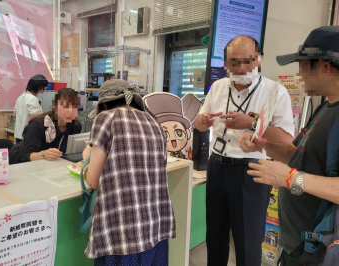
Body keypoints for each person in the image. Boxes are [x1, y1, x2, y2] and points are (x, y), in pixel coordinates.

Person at [239, 26, 339, 266]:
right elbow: (300, 154)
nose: (299, 72)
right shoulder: (326, 105)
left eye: (303, 64)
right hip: (297, 245)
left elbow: (297, 173)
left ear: (325, 66)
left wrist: (291, 178)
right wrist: (264, 146)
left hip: (318, 251)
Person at [194, 35, 294, 266]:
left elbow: (287, 139)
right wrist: (203, 121)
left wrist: (252, 123)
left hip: (252, 171)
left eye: (248, 61)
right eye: (234, 62)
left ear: (258, 60)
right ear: (226, 64)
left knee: (248, 241)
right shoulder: (218, 87)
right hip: (217, 166)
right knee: (215, 237)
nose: (241, 68)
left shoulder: (275, 92)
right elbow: (198, 125)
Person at [81, 79, 176, 265]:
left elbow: (93, 180)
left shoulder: (106, 118)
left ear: (105, 104)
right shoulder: (154, 122)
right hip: (155, 226)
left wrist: (85, 163)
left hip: (122, 230)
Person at [9, 88, 82, 165]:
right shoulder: (37, 125)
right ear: (55, 107)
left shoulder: (76, 127)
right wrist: (44, 154)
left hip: (50, 166)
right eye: (65, 106)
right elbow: (25, 156)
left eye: (74, 107)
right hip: (22, 165)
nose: (70, 111)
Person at [13, 74, 48, 143]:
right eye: (44, 88)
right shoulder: (33, 98)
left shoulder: (20, 98)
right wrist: (47, 114)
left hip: (19, 134)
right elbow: (34, 119)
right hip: (29, 135)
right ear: (40, 87)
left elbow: (14, 115)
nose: (44, 90)